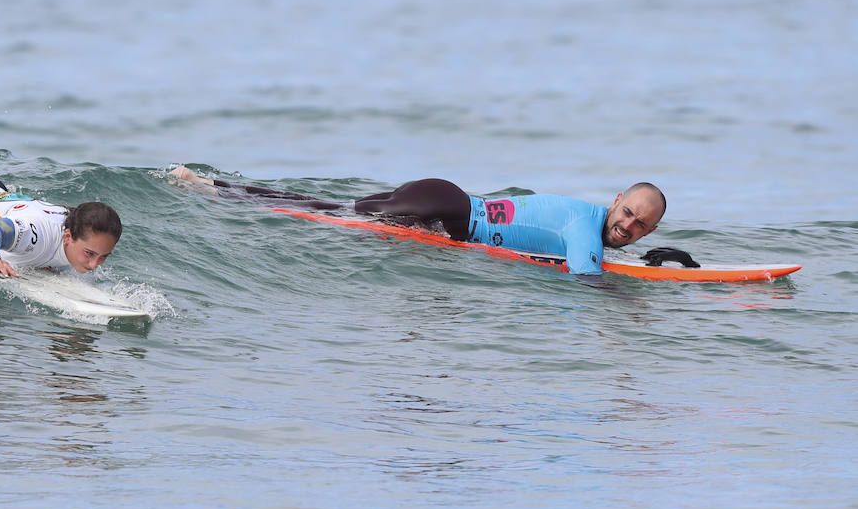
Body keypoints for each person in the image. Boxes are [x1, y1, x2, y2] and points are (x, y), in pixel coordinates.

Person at [170, 166, 665, 276]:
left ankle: (213, 187)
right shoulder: (585, 228)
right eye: (627, 213)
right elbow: (587, 282)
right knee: (319, 212)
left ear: (650, 231)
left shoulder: (587, 221)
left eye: (640, 225)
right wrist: (638, 301)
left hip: (442, 201)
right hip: (446, 210)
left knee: (326, 207)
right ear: (615, 199)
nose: (628, 227)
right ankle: (212, 188)